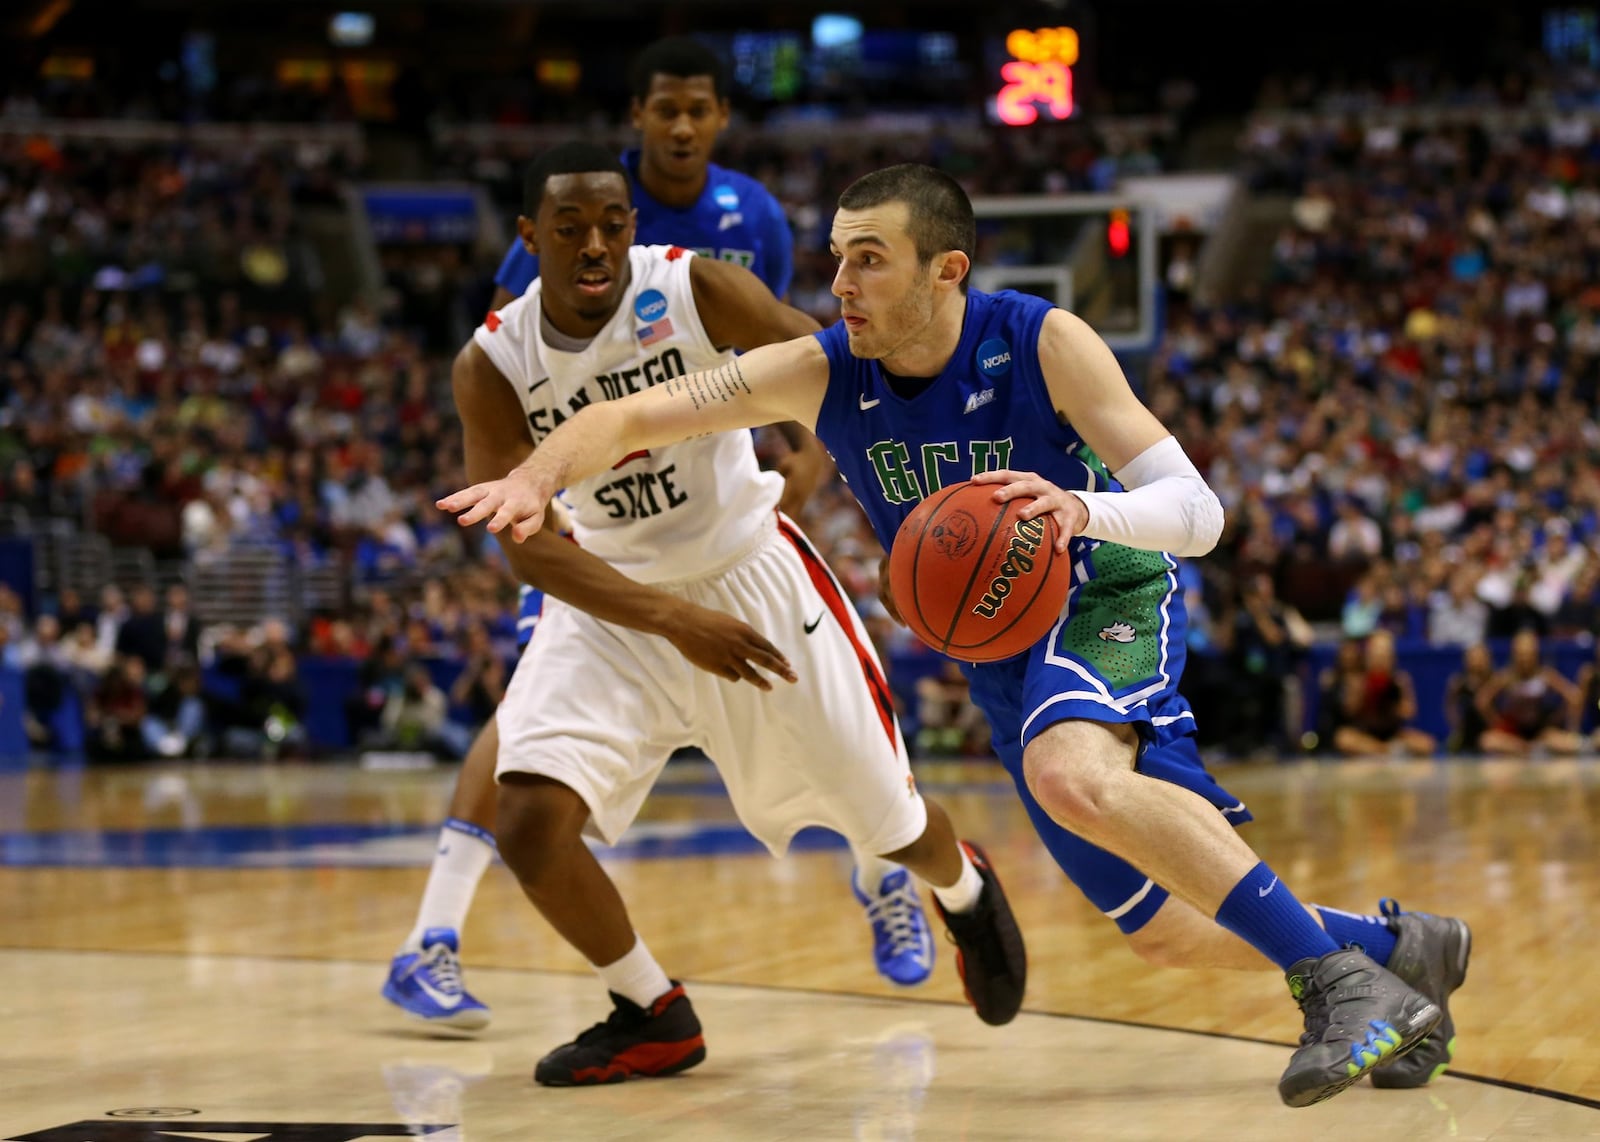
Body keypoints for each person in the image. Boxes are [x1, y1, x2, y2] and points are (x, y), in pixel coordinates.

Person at [443, 163, 1473, 1108]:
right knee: (1160, 930)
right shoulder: (820, 369)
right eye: (836, 255)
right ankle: (1399, 949)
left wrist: (1081, 508)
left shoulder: (1042, 339)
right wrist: (533, 478)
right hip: (995, 647)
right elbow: (633, 418)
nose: (839, 279)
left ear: (947, 270)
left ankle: (1343, 989)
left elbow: (1196, 514)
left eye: (868, 257)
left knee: (1073, 775)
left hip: (1102, 582)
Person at [408, 145, 1025, 1085]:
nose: (595, 243)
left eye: (613, 223)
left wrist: (824, 478)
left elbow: (838, 377)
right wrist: (669, 620)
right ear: (530, 237)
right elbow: (528, 545)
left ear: (634, 230)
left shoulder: (698, 289)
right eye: (569, 226)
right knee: (529, 818)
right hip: (612, 601)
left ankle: (964, 886)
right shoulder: (493, 360)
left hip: (750, 573)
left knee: (889, 822)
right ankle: (650, 1009)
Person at [1328, 630, 1437, 758]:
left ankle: (1380, 750)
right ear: (1368, 657)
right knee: (1343, 738)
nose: (1380, 660)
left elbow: (1410, 712)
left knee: (1427, 744)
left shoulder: (1400, 680)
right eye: (1376, 655)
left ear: (1391, 658)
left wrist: (1393, 702)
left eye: (1384, 656)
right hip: (1365, 735)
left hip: (1392, 734)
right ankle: (1384, 750)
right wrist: (1364, 694)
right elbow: (1349, 711)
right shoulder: (1359, 680)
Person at [1477, 629, 1586, 756]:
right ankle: (1526, 749)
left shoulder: (1546, 676)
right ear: (1514, 654)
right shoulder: (1506, 677)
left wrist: (1561, 720)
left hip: (1540, 730)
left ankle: (1535, 748)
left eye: (1528, 653)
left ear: (1535, 653)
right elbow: (1482, 701)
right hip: (1514, 732)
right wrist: (1497, 723)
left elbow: (1574, 697)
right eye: (1521, 654)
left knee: (1568, 745)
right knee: (1487, 741)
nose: (1525, 658)